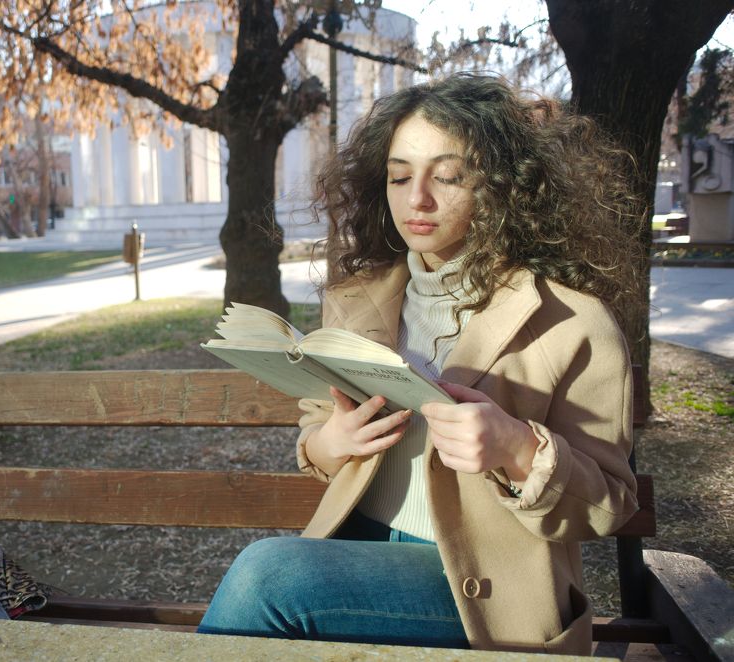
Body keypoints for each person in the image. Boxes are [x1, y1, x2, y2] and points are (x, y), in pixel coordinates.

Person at [196, 73, 643, 655]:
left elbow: (610, 504)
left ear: (504, 186)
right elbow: (316, 432)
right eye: (400, 176)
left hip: (483, 590)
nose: (417, 199)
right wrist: (332, 442)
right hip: (357, 547)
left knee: (268, 578)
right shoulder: (356, 298)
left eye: (449, 176)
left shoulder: (574, 321)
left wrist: (516, 448)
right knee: (274, 581)